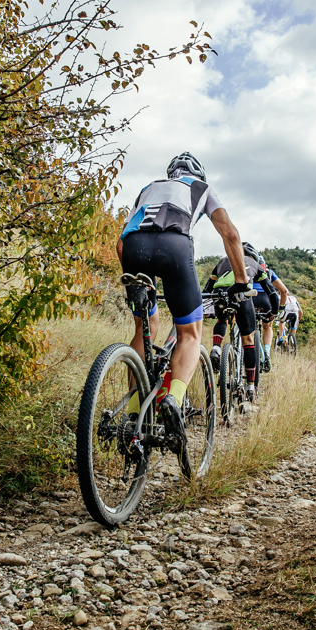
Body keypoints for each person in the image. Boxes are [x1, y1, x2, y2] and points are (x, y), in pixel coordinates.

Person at [115, 152, 252, 449]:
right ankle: (174, 400)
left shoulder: (148, 187)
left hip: (134, 250)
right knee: (189, 334)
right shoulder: (201, 188)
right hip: (174, 247)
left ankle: (133, 412)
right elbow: (229, 233)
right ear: (198, 173)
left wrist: (135, 275)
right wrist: (241, 281)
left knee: (144, 327)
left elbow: (120, 241)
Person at [204, 242, 278, 401]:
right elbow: (272, 293)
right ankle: (250, 387)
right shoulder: (255, 265)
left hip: (219, 295)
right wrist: (274, 312)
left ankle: (216, 348)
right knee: (248, 340)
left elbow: (207, 288)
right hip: (242, 297)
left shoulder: (222, 261)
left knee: (222, 320)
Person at [251, 255, 288, 372]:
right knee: (267, 327)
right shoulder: (269, 272)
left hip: (250, 298)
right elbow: (284, 290)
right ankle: (266, 352)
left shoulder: (247, 268)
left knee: (247, 328)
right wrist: (281, 307)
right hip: (266, 300)